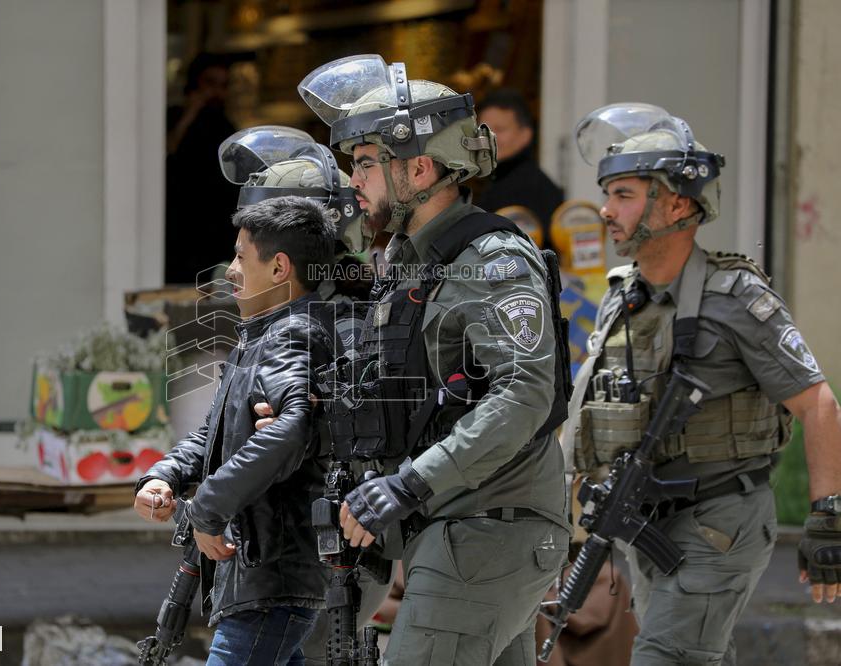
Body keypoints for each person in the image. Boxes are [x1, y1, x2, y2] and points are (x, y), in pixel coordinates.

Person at [292, 55, 573, 665]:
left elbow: (523, 394)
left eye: (365, 163)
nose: (353, 180)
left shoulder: (489, 259)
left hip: (485, 528)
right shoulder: (410, 262)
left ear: (418, 168)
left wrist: (411, 481)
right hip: (455, 527)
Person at [568, 102, 841, 664]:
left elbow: (819, 404)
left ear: (677, 202)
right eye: (608, 194)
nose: (605, 210)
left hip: (719, 522)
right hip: (648, 523)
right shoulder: (625, 296)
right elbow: (592, 408)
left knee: (666, 656)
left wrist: (826, 518)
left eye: (623, 194)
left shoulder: (736, 297)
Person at [134, 196, 338, 665]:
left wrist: (207, 508)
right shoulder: (263, 334)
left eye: (241, 257)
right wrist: (161, 476)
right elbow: (214, 434)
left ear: (279, 267)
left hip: (271, 575)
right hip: (262, 576)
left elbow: (290, 429)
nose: (229, 270)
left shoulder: (293, 334)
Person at [217, 125, 391, 663]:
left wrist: (303, 424)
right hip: (280, 553)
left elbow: (346, 433)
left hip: (322, 560)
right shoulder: (286, 317)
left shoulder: (355, 319)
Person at [165, 53, 238, 285]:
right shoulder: (175, 117)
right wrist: (191, 111)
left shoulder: (225, 127)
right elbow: (167, 152)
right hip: (179, 230)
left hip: (215, 232)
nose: (216, 92)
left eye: (223, 85)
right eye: (210, 83)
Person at [475, 88, 564, 245]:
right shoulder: (500, 179)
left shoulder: (527, 186)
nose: (489, 138)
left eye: (500, 129)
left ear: (525, 135)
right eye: (482, 130)